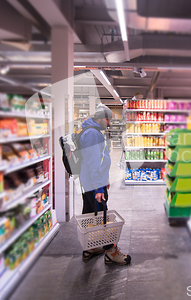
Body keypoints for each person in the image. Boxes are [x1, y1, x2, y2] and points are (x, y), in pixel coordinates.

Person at [78, 103, 131, 265]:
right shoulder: (93, 134)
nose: (109, 124)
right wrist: (99, 187)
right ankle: (111, 252)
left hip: (89, 182)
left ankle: (90, 247)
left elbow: (96, 160)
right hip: (94, 185)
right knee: (103, 217)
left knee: (90, 213)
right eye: (108, 120)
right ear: (101, 118)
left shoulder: (89, 131)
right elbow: (94, 162)